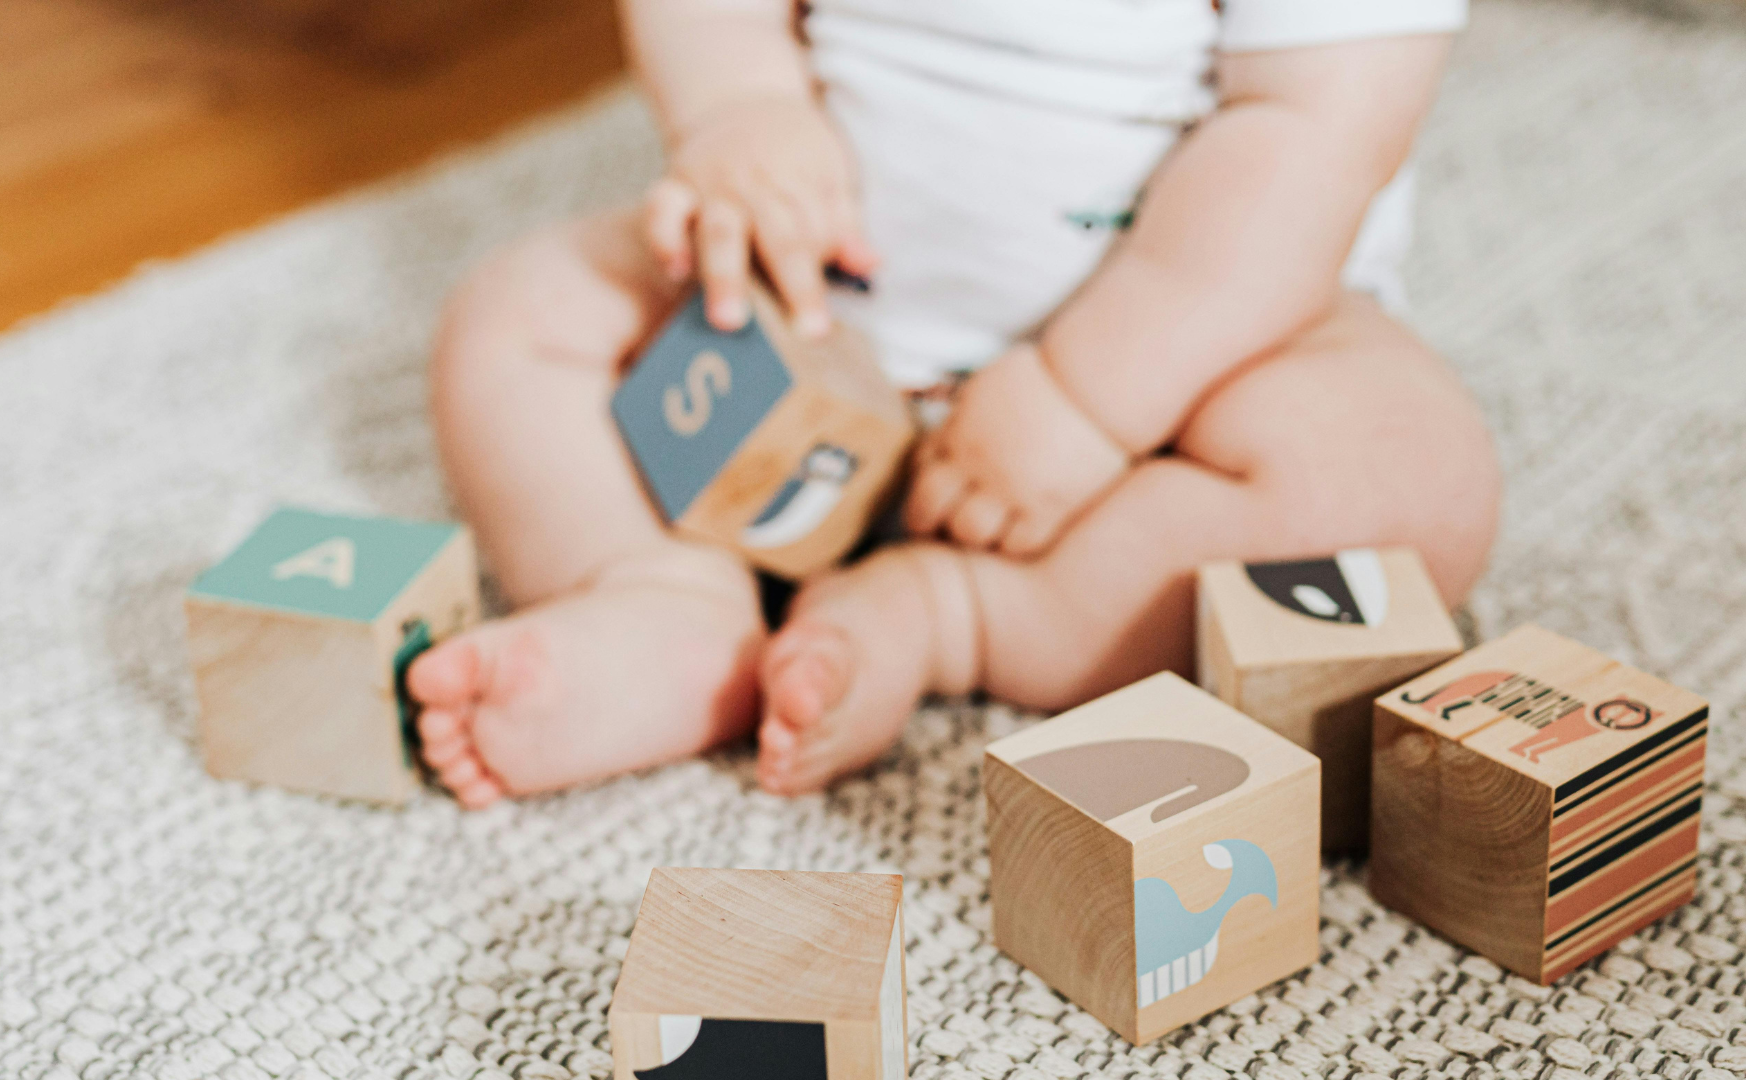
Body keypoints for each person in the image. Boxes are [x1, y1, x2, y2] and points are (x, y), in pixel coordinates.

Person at [408, 0, 1502, 807]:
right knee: (518, 320)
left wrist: (1086, 397)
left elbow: (1315, 137)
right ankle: (667, 598)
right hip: (814, 317)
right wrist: (739, 111)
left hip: (1174, 362)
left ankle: (955, 615)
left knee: (1404, 483)